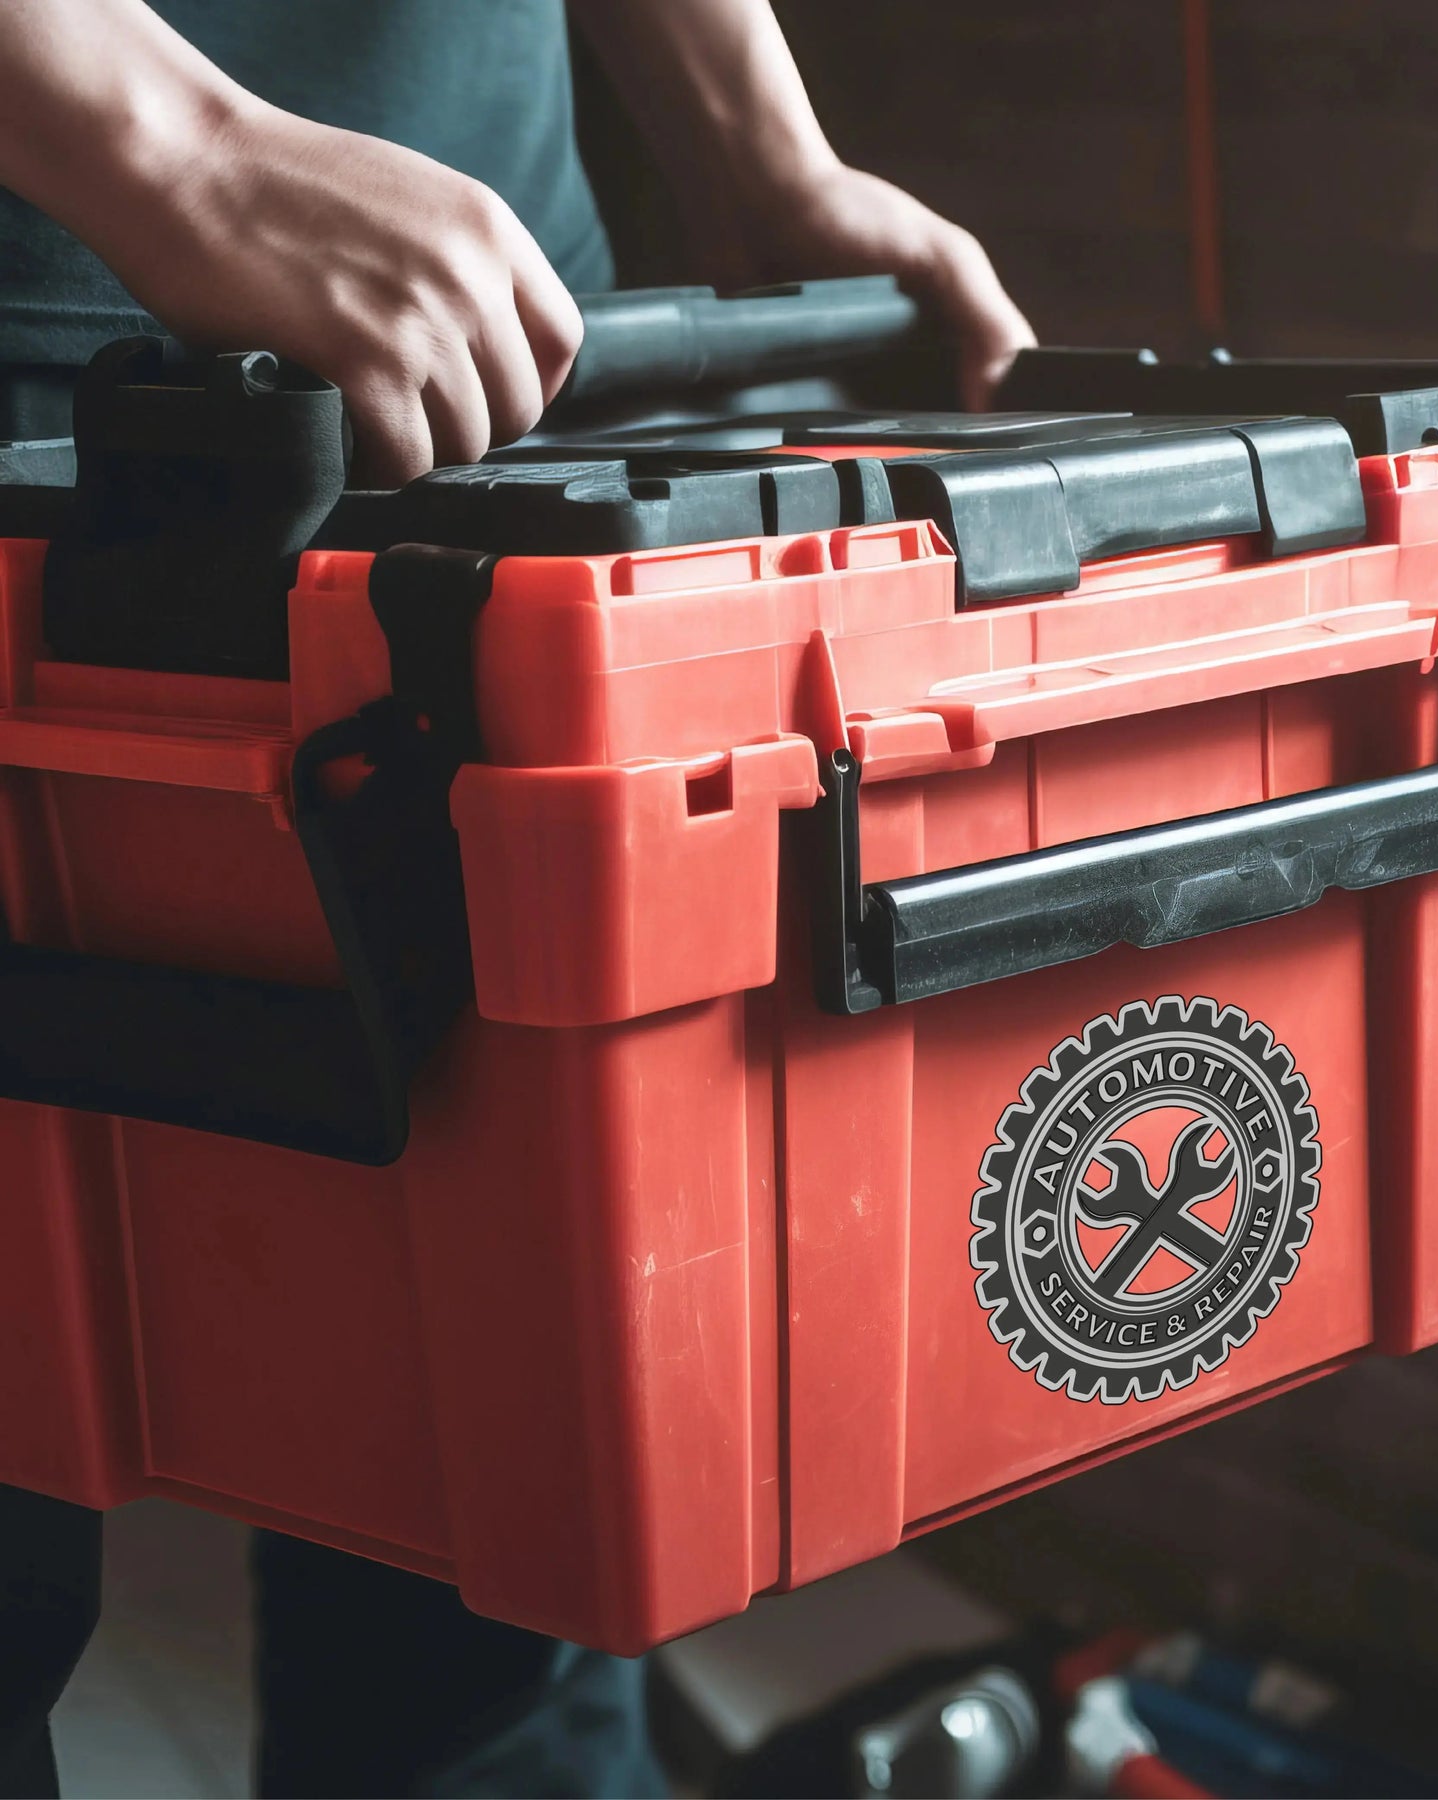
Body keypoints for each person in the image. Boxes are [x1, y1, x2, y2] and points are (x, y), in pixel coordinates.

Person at [0, 3, 1034, 1795]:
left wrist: (765, 163)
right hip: (48, 385)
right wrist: (169, 143)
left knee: (509, 1582)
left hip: (485, 376)